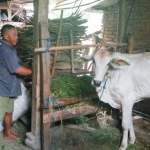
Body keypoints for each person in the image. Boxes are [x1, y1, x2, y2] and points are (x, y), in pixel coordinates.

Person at [0, 24, 32, 140]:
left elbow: (20, 63)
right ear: (6, 36)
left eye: (17, 35)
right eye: (14, 35)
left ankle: (8, 134)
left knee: (9, 112)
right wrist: (34, 71)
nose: (17, 37)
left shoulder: (10, 49)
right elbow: (17, 69)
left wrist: (31, 66)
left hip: (9, 88)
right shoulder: (4, 50)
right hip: (2, 89)